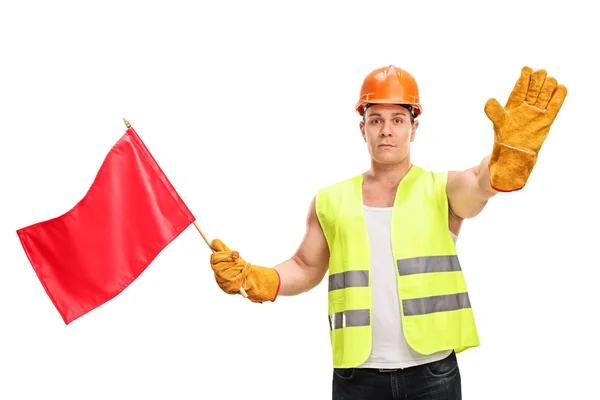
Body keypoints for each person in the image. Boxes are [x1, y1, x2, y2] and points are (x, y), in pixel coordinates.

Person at [208, 64, 567, 399]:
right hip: (357, 376)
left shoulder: (442, 189)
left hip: (433, 374)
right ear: (362, 128)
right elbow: (305, 265)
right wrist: (259, 278)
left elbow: (478, 183)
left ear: (414, 127)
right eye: (375, 119)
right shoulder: (330, 200)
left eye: (398, 119)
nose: (386, 130)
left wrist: (506, 162)